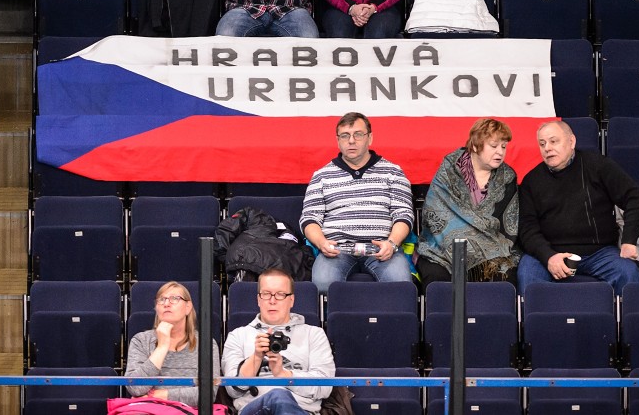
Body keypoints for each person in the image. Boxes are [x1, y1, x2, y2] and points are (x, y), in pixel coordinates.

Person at [517, 120, 639, 296]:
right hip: (550, 252)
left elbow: (636, 198)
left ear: (571, 142)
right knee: (527, 274)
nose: (547, 148)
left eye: (553, 141)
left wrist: (629, 240)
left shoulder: (598, 165)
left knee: (627, 272)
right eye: (542, 143)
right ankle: (538, 324)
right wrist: (548, 256)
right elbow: (527, 228)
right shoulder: (531, 181)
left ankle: (626, 324)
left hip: (599, 253)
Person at [300, 112, 415, 293]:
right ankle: (334, 322)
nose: (351, 141)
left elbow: (404, 215)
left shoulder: (393, 172)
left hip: (383, 249)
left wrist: (392, 244)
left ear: (370, 138)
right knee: (323, 283)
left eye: (358, 134)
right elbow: (309, 219)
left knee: (400, 283)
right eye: (345, 136)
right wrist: (321, 242)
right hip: (337, 250)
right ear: (338, 140)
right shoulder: (321, 176)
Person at [416, 118, 521, 289]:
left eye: (503, 146)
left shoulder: (507, 176)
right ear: (475, 145)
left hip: (490, 250)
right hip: (441, 250)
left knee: (504, 277)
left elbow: (506, 225)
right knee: (436, 278)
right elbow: (436, 213)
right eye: (494, 146)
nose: (500, 152)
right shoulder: (449, 169)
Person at [222, 268, 335, 414]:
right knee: (277, 396)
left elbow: (324, 387)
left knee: (280, 397)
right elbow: (233, 390)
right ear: (258, 299)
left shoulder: (314, 334)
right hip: (254, 409)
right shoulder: (237, 335)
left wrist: (284, 375)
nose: (272, 301)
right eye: (266, 294)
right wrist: (256, 357)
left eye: (280, 294)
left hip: (301, 410)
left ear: (291, 300)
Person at [124, 281, 221, 405]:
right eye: (161, 299)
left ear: (188, 307)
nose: (166, 303)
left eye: (174, 298)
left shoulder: (206, 344)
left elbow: (208, 394)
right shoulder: (141, 341)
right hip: (150, 411)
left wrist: (163, 395)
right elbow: (135, 388)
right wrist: (161, 347)